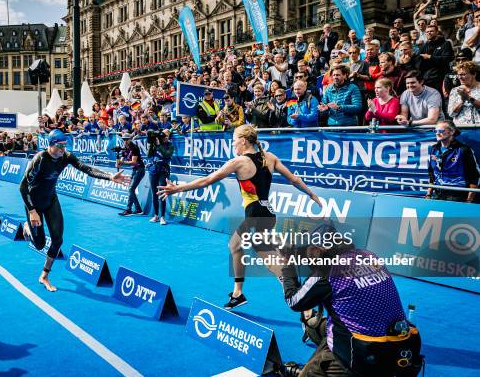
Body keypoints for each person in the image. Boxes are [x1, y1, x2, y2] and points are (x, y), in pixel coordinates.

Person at [157, 125, 320, 309]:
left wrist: (178, 188)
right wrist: (311, 194)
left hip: (255, 216)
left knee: (267, 260)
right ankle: (239, 292)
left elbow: (207, 180)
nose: (232, 143)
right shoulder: (270, 157)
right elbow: (294, 180)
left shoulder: (239, 162)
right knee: (237, 246)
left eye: (234, 139)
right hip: (266, 213)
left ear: (243, 140)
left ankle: (297, 294)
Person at [279, 224, 423, 377]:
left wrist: (287, 267)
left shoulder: (328, 271)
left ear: (317, 250)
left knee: (309, 373)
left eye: (309, 252)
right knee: (324, 324)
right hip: (403, 347)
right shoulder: (369, 255)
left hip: (364, 355)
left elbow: (294, 301)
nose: (308, 258)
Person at [21, 130, 128, 291]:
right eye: (59, 146)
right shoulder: (40, 159)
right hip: (33, 204)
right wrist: (31, 211)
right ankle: (27, 227)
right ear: (50, 145)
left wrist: (109, 176)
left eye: (64, 146)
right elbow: (23, 187)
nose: (62, 149)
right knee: (40, 245)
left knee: (58, 240)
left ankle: (44, 276)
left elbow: (87, 169)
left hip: (51, 201)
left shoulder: (66, 156)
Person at [427, 120, 479, 203]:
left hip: (456, 195)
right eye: (435, 131)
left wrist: (469, 200)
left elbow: (474, 176)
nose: (437, 133)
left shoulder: (463, 150)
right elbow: (431, 174)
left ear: (451, 132)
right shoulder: (434, 148)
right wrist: (429, 194)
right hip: (437, 193)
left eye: (441, 131)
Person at [147, 130, 174, 225]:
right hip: (153, 170)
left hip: (163, 170)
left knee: (162, 194)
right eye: (164, 134)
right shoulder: (155, 143)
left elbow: (167, 154)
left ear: (169, 136)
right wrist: (151, 144)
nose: (165, 136)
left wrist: (159, 145)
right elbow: (149, 155)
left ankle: (162, 217)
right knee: (154, 194)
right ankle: (156, 215)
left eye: (167, 135)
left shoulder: (170, 146)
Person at [417, 25, 454, 91]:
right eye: (427, 32)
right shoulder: (424, 46)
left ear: (437, 32)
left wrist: (430, 57)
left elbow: (448, 58)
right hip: (427, 79)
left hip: (441, 78)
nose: (429, 33)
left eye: (431, 31)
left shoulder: (445, 43)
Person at [116, 132, 146, 216]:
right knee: (131, 189)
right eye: (123, 140)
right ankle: (138, 209)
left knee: (131, 189)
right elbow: (119, 163)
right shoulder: (124, 148)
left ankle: (128, 210)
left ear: (130, 139)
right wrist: (118, 158)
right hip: (134, 170)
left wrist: (122, 162)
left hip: (140, 169)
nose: (125, 141)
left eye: (126, 140)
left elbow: (133, 162)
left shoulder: (135, 148)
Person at [447, 60, 480, 125]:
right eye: (458, 75)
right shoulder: (455, 90)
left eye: (463, 74)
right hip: (461, 128)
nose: (460, 77)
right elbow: (451, 114)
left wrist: (468, 98)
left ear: (474, 74)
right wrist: (462, 102)